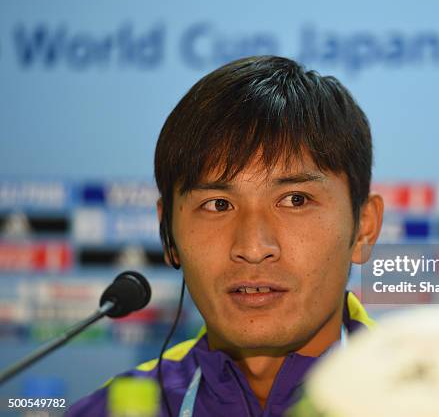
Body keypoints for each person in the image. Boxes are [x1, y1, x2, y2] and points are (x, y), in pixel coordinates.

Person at [67, 55, 384, 417]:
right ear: (168, 233)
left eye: (295, 200)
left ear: (364, 227)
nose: (252, 248)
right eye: (218, 204)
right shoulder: (112, 410)